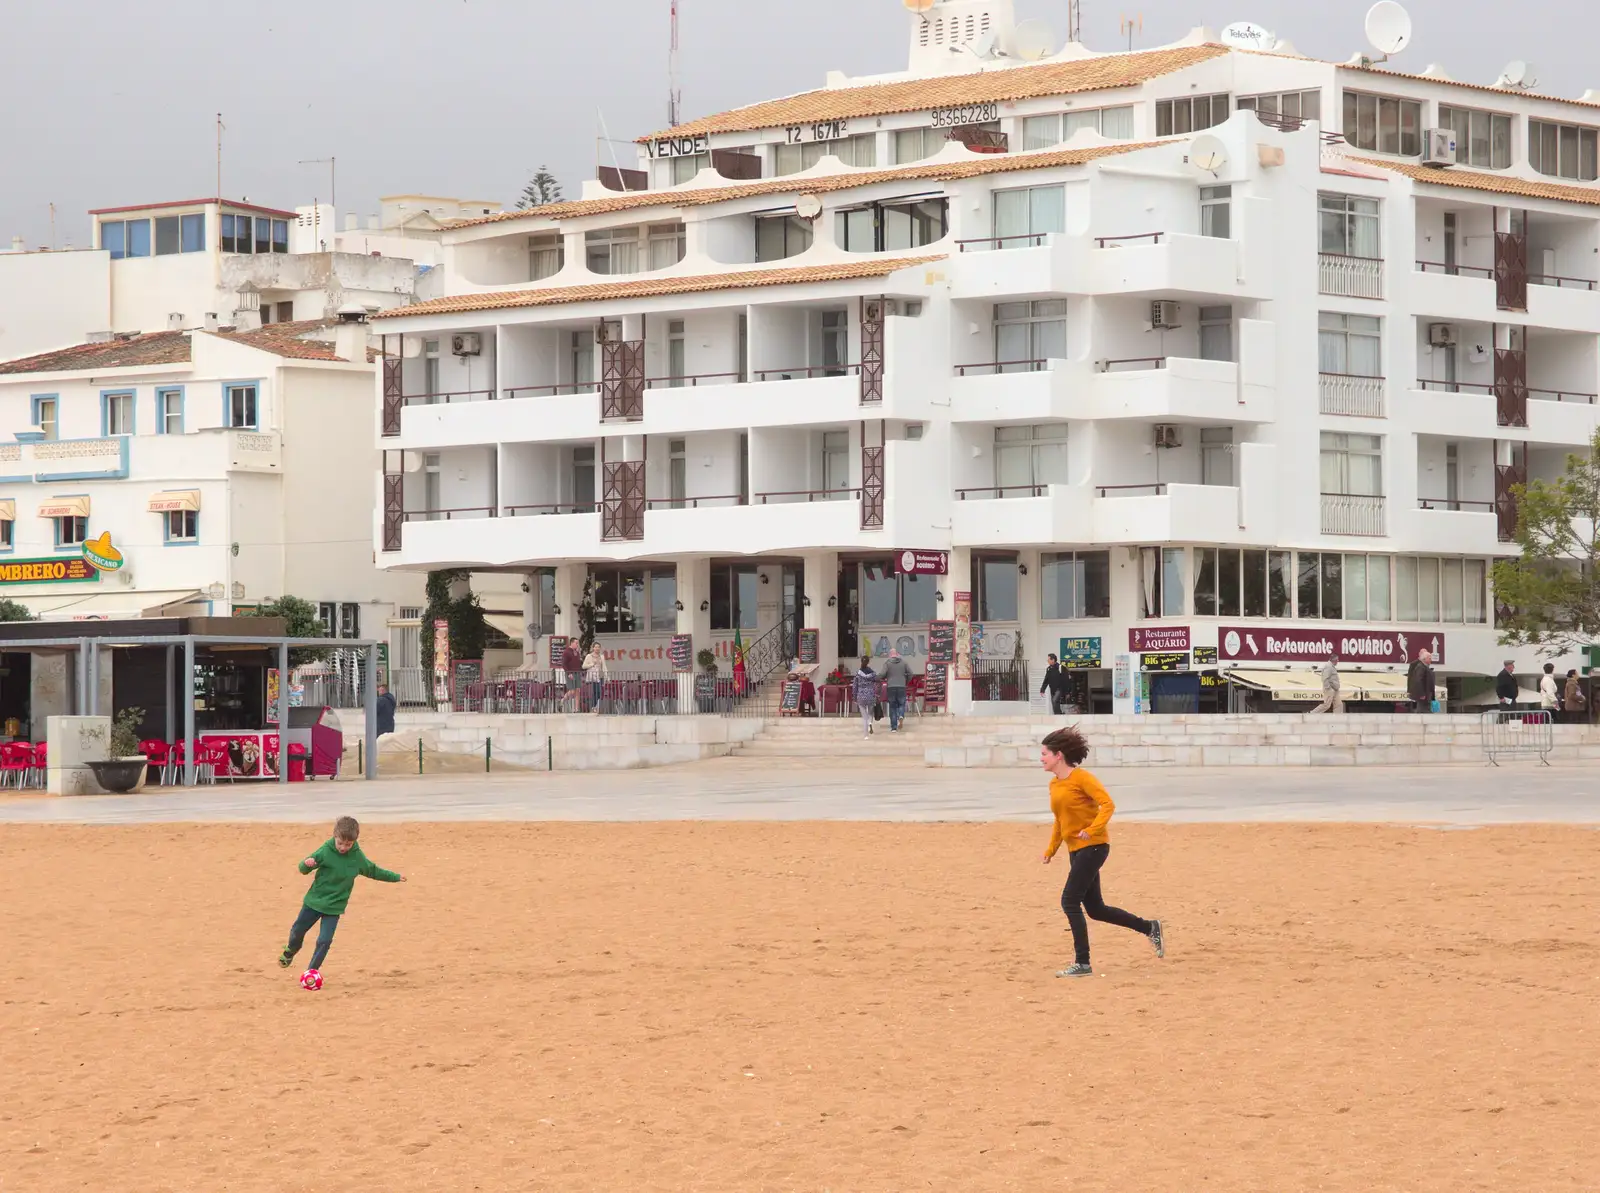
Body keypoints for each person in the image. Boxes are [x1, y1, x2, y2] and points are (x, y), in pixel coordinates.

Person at [1039, 725, 1163, 978]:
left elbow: (1108, 804)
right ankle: (1149, 927)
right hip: (1077, 850)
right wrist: (1051, 850)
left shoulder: (1082, 778)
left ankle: (1082, 963)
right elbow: (1060, 820)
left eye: (1044, 754)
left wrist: (1093, 829)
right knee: (1095, 909)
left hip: (1094, 847)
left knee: (1069, 901)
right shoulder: (1055, 785)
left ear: (1058, 755)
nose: (1041, 758)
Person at [278, 815, 404, 984]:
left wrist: (395, 877)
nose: (343, 847)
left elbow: (373, 871)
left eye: (348, 844)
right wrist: (306, 864)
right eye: (340, 843)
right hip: (314, 902)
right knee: (296, 932)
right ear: (334, 836)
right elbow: (303, 869)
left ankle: (311, 972)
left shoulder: (357, 857)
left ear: (355, 841)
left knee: (324, 941)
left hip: (334, 907)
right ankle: (291, 950)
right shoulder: (325, 850)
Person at [882, 649, 912, 732]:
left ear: (890, 655)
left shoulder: (887, 663)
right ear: (897, 654)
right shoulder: (904, 662)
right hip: (901, 686)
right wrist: (905, 681)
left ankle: (894, 728)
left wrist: (880, 678)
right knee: (901, 704)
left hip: (891, 687)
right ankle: (901, 715)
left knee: (892, 707)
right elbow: (911, 673)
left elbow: (882, 674)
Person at [852, 655, 880, 739]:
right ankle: (870, 723)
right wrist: (877, 693)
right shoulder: (873, 673)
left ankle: (866, 735)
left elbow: (855, 686)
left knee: (864, 717)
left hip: (861, 696)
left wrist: (854, 696)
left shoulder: (858, 674)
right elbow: (878, 682)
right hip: (871, 695)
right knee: (870, 712)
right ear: (868, 662)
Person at [1407, 649, 1436, 713]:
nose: (1431, 660)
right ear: (1424, 659)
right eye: (1429, 658)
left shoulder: (1425, 667)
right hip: (1424, 694)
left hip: (1427, 694)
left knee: (1426, 709)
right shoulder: (1420, 667)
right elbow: (1418, 680)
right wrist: (1421, 694)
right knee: (1423, 710)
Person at [583, 642, 608, 714]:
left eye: (598, 647)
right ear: (593, 648)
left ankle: (595, 706)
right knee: (595, 692)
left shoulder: (601, 656)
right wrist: (591, 664)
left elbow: (604, 666)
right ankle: (593, 707)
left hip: (600, 676)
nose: (597, 648)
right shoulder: (589, 656)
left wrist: (607, 676)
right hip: (593, 676)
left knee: (600, 692)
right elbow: (584, 666)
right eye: (596, 647)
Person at [561, 639, 584, 711]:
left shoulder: (577, 652)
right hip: (571, 673)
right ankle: (562, 700)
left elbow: (578, 663)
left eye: (578, 643)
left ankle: (576, 709)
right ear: (572, 643)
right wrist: (568, 673)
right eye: (576, 643)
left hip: (577, 672)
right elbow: (564, 664)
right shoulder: (566, 652)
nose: (577, 645)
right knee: (572, 690)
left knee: (578, 690)